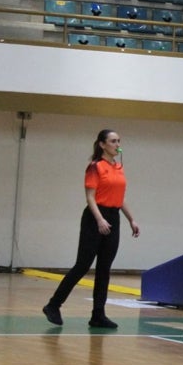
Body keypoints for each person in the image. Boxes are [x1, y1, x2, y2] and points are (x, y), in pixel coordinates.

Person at [43, 129, 141, 328]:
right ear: (102, 144)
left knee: (104, 269)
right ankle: (53, 305)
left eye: (118, 141)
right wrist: (99, 220)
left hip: (113, 216)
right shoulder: (95, 167)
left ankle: (98, 314)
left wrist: (132, 219)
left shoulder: (119, 168)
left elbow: (120, 199)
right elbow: (90, 198)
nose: (117, 144)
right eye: (113, 141)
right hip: (94, 217)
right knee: (83, 265)